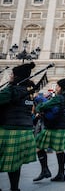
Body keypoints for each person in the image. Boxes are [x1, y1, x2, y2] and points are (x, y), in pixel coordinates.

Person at [0, 62, 37, 191]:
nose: (10, 75)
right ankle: (14, 188)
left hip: (9, 129)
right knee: (15, 163)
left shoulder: (11, 90)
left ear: (16, 77)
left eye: (12, 74)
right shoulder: (28, 92)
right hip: (26, 131)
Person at [34, 77, 65, 182]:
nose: (56, 87)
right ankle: (60, 174)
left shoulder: (58, 98)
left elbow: (42, 107)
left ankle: (45, 170)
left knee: (38, 146)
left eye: (56, 86)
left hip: (54, 126)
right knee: (59, 150)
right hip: (62, 126)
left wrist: (38, 108)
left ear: (60, 87)